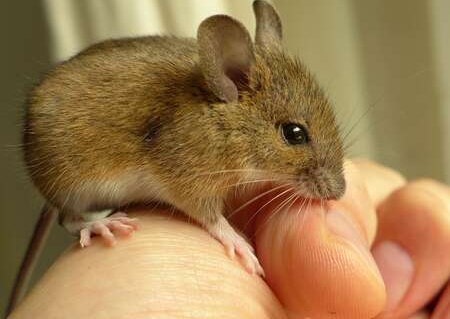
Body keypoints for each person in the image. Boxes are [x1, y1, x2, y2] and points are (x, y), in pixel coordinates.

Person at [9, 159, 450, 318]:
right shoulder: (206, 143)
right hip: (74, 160)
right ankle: (73, 219)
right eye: (295, 138)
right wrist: (223, 231)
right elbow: (181, 180)